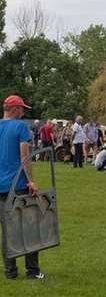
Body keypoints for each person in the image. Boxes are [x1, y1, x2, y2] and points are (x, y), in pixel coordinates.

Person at [0, 95, 45, 280]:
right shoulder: (20, 126)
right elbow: (24, 156)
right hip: (17, 185)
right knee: (29, 228)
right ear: (13, 109)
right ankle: (33, 271)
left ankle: (10, 272)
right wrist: (31, 181)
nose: (23, 112)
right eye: (21, 108)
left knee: (7, 231)